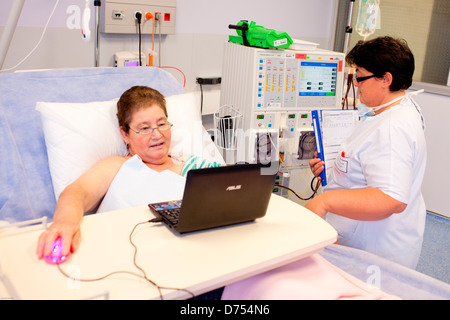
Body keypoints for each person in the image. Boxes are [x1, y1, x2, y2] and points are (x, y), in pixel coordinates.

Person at [36, 86, 221, 260]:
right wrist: (65, 222)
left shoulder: (197, 168)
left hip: (192, 257)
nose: (157, 135)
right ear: (125, 135)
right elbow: (77, 193)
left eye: (162, 124)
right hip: (124, 257)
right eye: (144, 128)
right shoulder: (117, 166)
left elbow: (232, 198)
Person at [307, 36, 427, 269]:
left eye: (360, 77)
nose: (357, 84)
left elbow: (390, 199)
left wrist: (326, 201)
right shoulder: (398, 107)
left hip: (373, 251)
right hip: (376, 238)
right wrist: (334, 169)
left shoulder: (392, 127)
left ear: (385, 79)